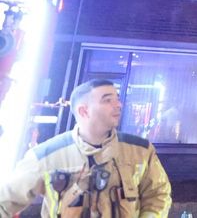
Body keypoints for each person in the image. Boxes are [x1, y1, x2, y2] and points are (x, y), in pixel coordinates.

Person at [0, 79, 172, 218]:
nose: (118, 104)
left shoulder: (140, 151)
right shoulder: (46, 156)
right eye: (107, 100)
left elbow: (158, 195)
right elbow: (5, 202)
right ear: (83, 111)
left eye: (117, 98)